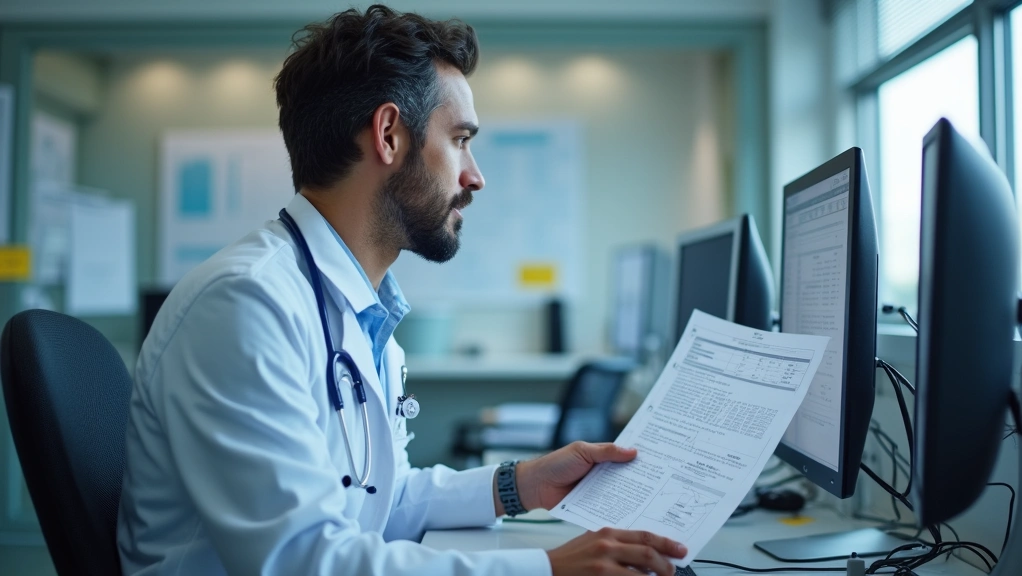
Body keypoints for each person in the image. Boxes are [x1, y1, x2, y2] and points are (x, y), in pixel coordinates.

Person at [116, 5, 686, 576]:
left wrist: (520, 484)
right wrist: (550, 569)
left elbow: (375, 501)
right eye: (460, 139)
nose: (474, 175)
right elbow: (300, 560)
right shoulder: (245, 303)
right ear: (389, 135)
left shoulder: (362, 310)